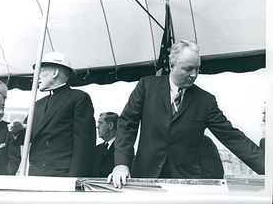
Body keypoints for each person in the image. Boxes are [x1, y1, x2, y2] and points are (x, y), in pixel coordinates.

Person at [107, 40, 264, 188]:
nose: (194, 75)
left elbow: (233, 137)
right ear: (172, 65)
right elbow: (127, 125)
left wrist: (268, 169)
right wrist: (121, 164)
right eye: (188, 69)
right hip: (144, 176)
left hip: (185, 183)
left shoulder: (206, 101)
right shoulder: (146, 87)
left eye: (197, 68)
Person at [8, 52, 96, 177]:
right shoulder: (38, 104)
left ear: (55, 73)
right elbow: (24, 140)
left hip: (62, 175)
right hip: (36, 174)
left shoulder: (78, 98)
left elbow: (84, 145)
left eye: (41, 72)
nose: (36, 77)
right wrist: (18, 130)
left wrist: (75, 179)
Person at [92, 112, 134, 177]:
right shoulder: (96, 149)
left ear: (110, 126)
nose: (97, 127)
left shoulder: (124, 149)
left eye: (100, 123)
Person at [0, 108, 21, 175]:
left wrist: (5, 179)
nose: (1, 112)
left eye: (3, 108)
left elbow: (14, 159)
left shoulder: (9, 129)